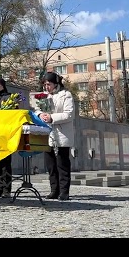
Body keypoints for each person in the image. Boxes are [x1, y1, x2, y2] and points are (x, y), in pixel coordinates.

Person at [34, 71, 75, 201]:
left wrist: (52, 117)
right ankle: (54, 190)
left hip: (61, 134)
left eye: (49, 84)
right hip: (48, 134)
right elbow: (37, 109)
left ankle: (64, 192)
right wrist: (41, 115)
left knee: (62, 164)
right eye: (45, 84)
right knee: (51, 165)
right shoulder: (44, 96)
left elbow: (69, 114)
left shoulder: (66, 95)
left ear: (56, 83)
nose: (47, 87)